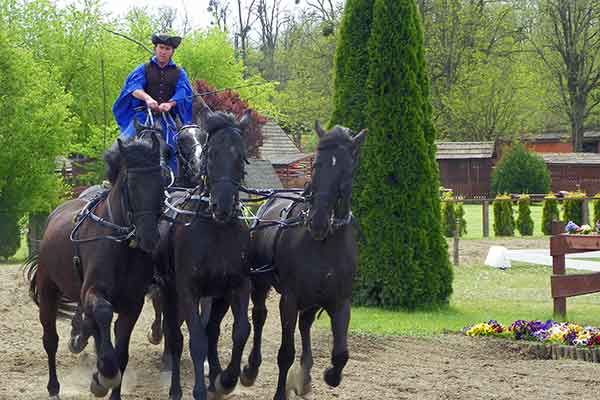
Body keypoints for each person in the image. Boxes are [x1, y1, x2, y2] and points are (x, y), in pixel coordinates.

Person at [112, 33, 194, 173]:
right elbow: (134, 88)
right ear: (155, 48)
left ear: (172, 52)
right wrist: (147, 99)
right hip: (143, 117)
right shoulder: (143, 69)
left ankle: (176, 181)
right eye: (161, 47)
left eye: (167, 49)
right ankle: (114, 180)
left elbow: (183, 91)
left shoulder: (179, 72)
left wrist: (170, 103)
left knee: (178, 147)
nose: (163, 51)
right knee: (121, 144)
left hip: (167, 119)